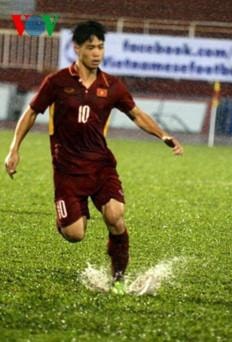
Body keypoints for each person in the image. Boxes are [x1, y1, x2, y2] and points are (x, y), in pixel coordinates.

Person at [4, 21, 183, 294]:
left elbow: (137, 114)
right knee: (75, 235)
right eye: (91, 47)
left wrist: (163, 135)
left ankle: (118, 279)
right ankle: (65, 221)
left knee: (115, 215)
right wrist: (14, 149)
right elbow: (30, 113)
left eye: (100, 47)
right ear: (77, 48)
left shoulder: (112, 85)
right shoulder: (57, 82)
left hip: (100, 166)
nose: (97, 53)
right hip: (67, 171)